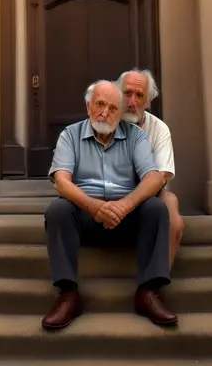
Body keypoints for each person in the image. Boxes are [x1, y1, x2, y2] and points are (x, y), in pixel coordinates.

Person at [42, 80, 177, 331]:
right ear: (88, 106)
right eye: (100, 105)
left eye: (113, 108)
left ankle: (148, 292)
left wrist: (125, 205)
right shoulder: (70, 135)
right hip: (84, 216)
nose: (105, 112)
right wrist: (94, 207)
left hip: (126, 217)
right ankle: (68, 294)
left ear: (120, 112)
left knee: (157, 209)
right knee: (58, 210)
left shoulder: (135, 136)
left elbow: (153, 177)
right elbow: (62, 181)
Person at [117, 69, 184, 269]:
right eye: (127, 93)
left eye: (139, 96)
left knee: (172, 211)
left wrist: (128, 203)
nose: (132, 101)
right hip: (109, 191)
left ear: (147, 102)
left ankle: (154, 286)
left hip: (149, 193)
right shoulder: (105, 123)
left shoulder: (159, 129)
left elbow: (162, 176)